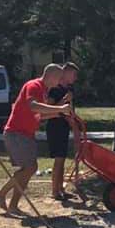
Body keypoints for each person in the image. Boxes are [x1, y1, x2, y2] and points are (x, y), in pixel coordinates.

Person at [0, 63, 72, 214]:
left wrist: (58, 114)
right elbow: (33, 106)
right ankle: (1, 194)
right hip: (16, 133)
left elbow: (39, 115)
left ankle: (13, 205)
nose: (60, 81)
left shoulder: (43, 90)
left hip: (26, 134)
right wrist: (59, 109)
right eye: (59, 78)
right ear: (52, 76)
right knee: (30, 168)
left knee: (27, 170)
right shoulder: (34, 85)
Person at [47, 62, 79, 201]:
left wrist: (73, 121)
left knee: (63, 159)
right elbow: (48, 108)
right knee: (58, 160)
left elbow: (69, 109)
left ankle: (61, 189)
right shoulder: (54, 89)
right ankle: (55, 191)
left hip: (64, 126)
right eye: (73, 74)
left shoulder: (69, 89)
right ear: (65, 73)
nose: (75, 78)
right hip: (55, 126)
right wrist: (64, 101)